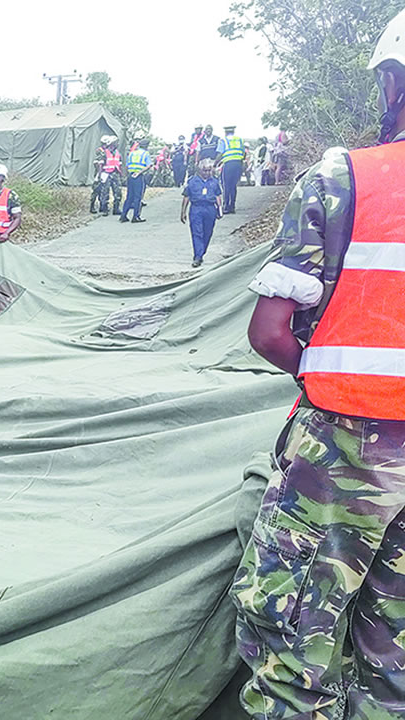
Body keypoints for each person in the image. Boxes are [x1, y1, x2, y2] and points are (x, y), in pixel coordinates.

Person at [233, 10, 405, 718]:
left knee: (292, 634)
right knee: (393, 653)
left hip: (344, 446)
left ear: (391, 82)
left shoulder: (344, 178)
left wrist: (324, 372)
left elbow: (271, 332)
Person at [180, 159, 223, 268]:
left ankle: (202, 251)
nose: (207, 173)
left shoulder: (214, 181)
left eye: (209, 170)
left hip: (210, 208)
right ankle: (197, 256)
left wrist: (220, 210)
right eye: (205, 171)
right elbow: (186, 197)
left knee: (207, 232)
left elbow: (218, 196)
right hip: (196, 208)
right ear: (199, 170)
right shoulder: (192, 181)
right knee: (197, 232)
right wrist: (183, 212)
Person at [119, 138, 153, 223]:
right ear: (146, 146)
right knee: (138, 197)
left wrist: (127, 175)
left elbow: (127, 166)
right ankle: (136, 216)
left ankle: (123, 216)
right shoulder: (145, 154)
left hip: (130, 176)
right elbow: (149, 165)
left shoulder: (132, 153)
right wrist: (139, 172)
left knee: (129, 196)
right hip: (138, 176)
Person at [218, 125, 246, 214]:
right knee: (233, 186)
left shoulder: (223, 140)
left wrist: (215, 164)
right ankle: (232, 206)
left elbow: (220, 153)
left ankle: (226, 206)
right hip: (238, 164)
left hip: (228, 164)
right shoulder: (239, 140)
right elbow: (244, 153)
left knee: (226, 185)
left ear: (225, 132)